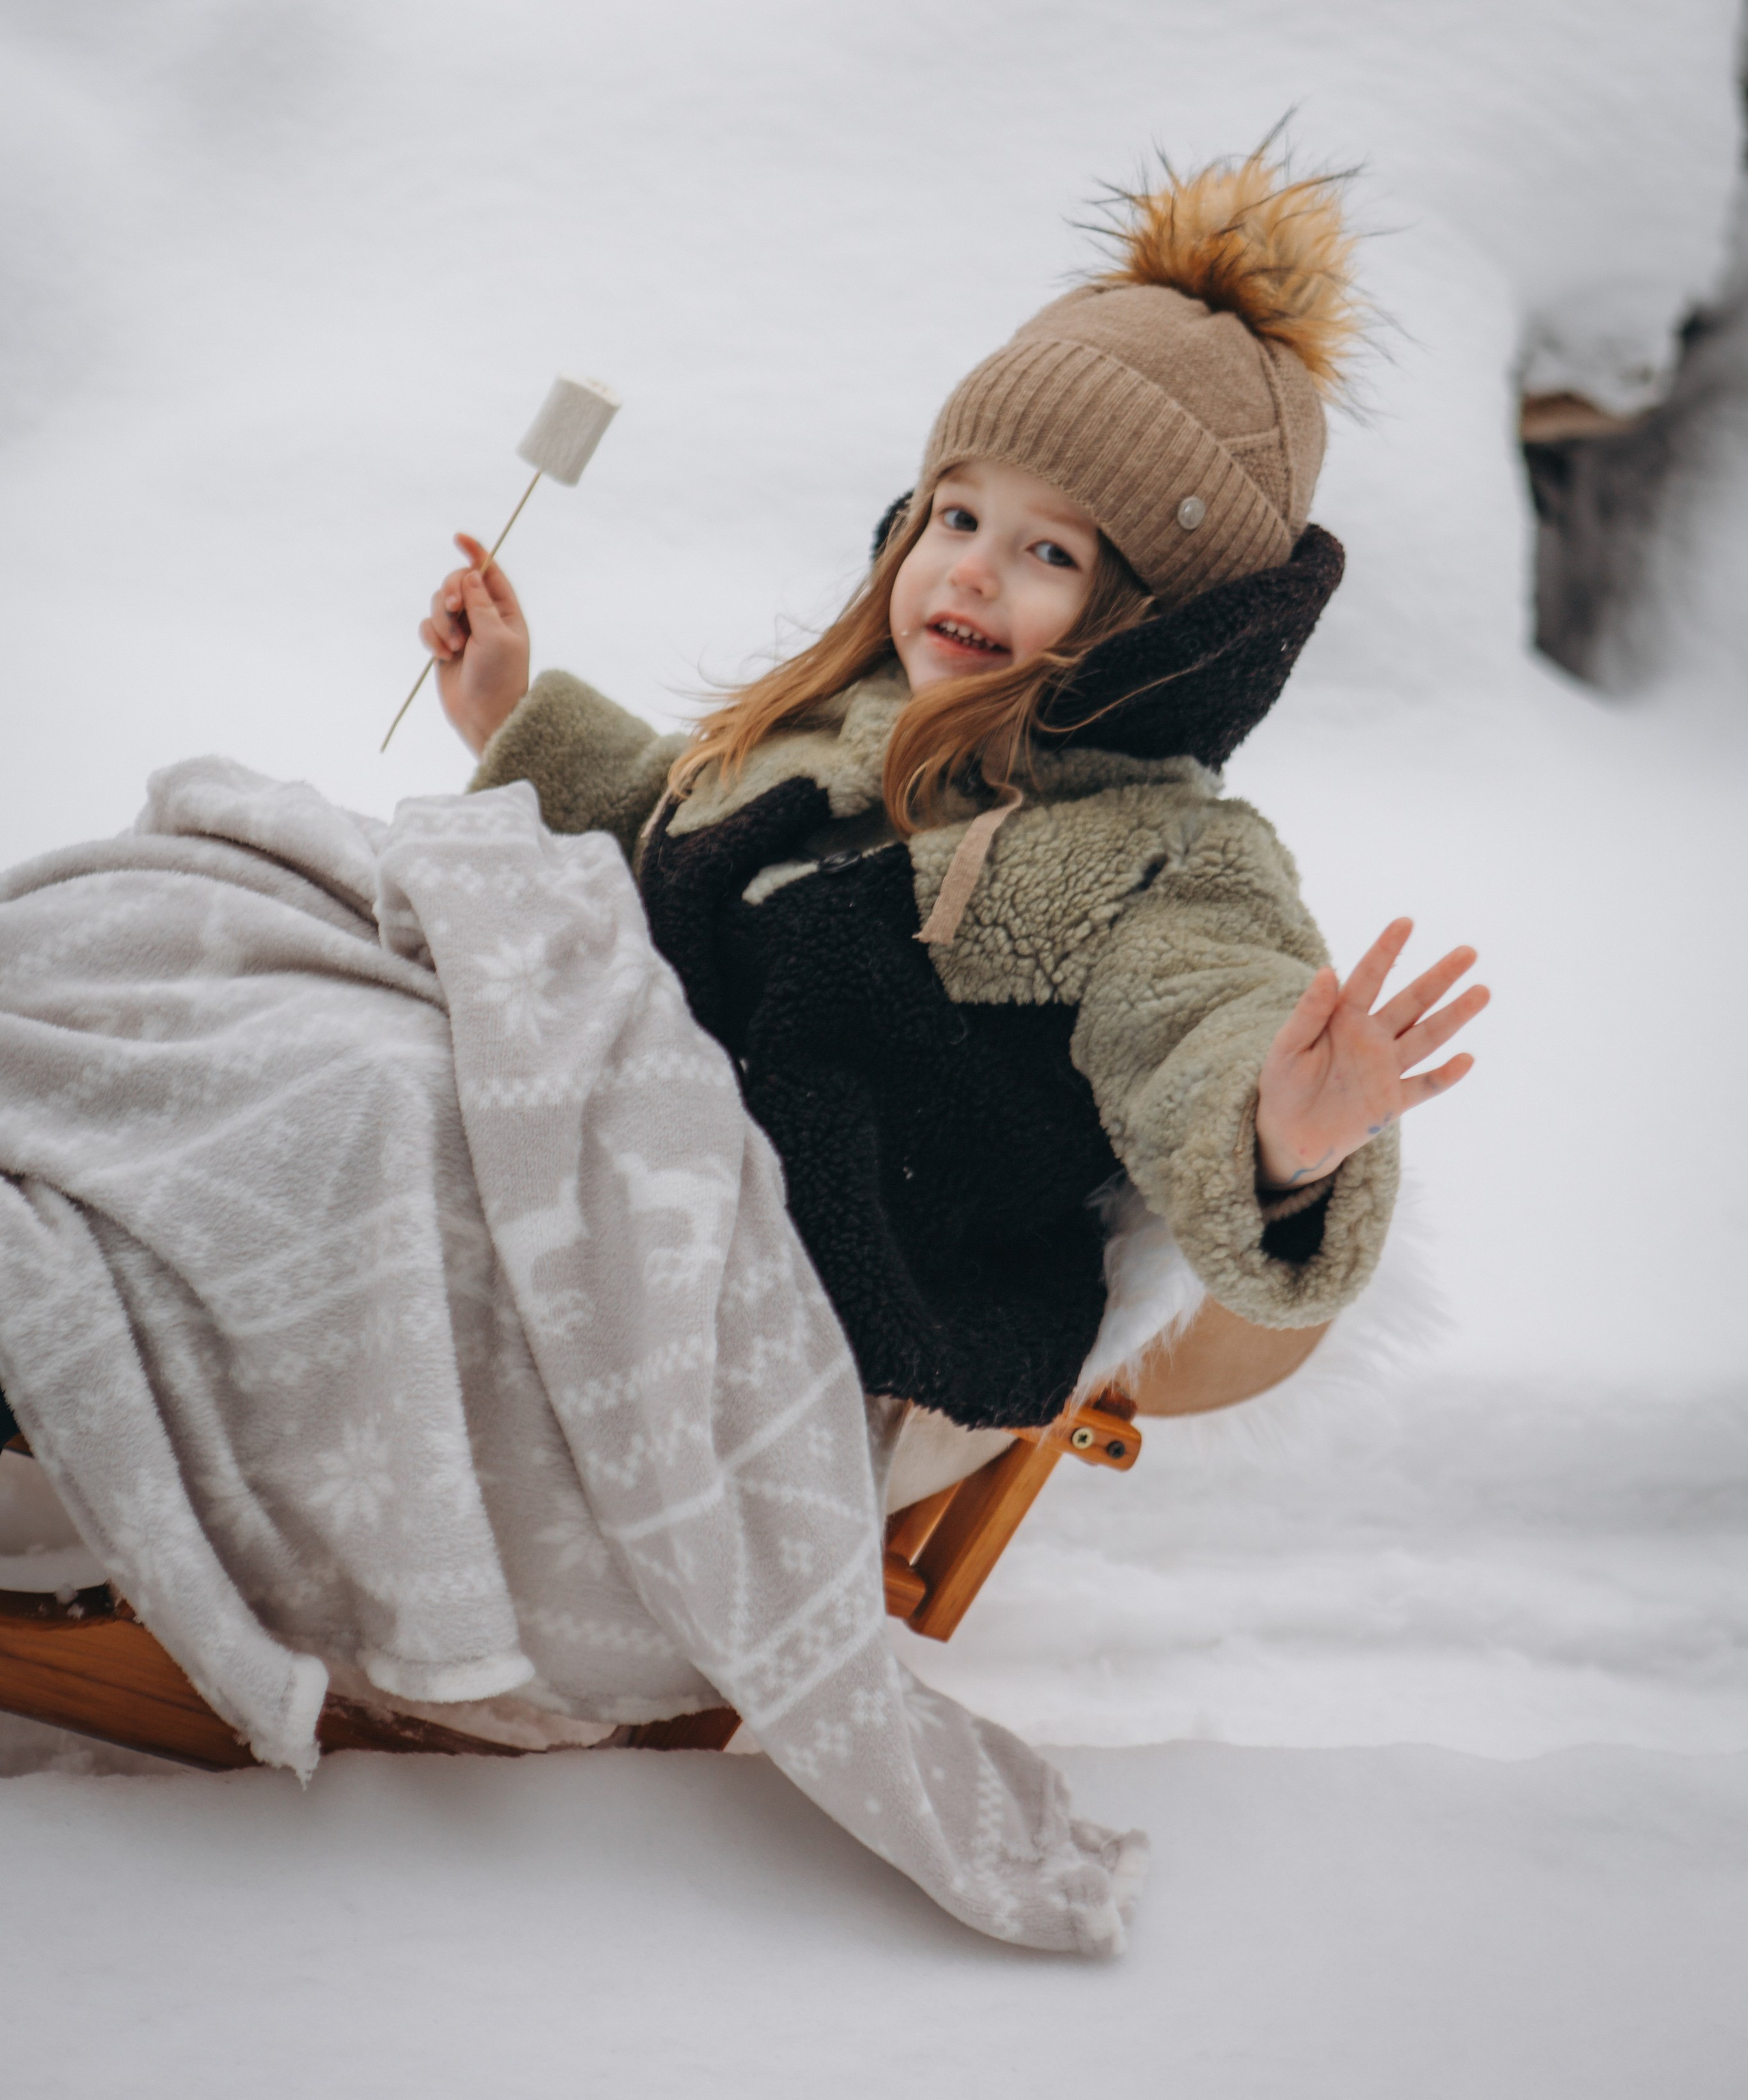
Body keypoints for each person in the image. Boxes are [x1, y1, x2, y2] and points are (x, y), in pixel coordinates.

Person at [419, 151, 1487, 1433]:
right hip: (597, 1171)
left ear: (1163, 630)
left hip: (803, 1315)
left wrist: (1280, 1139)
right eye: (958, 517)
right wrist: (508, 712)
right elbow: (668, 833)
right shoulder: (843, 727)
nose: (971, 574)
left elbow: (1201, 1014)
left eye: (1050, 551)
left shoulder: (1158, 860)